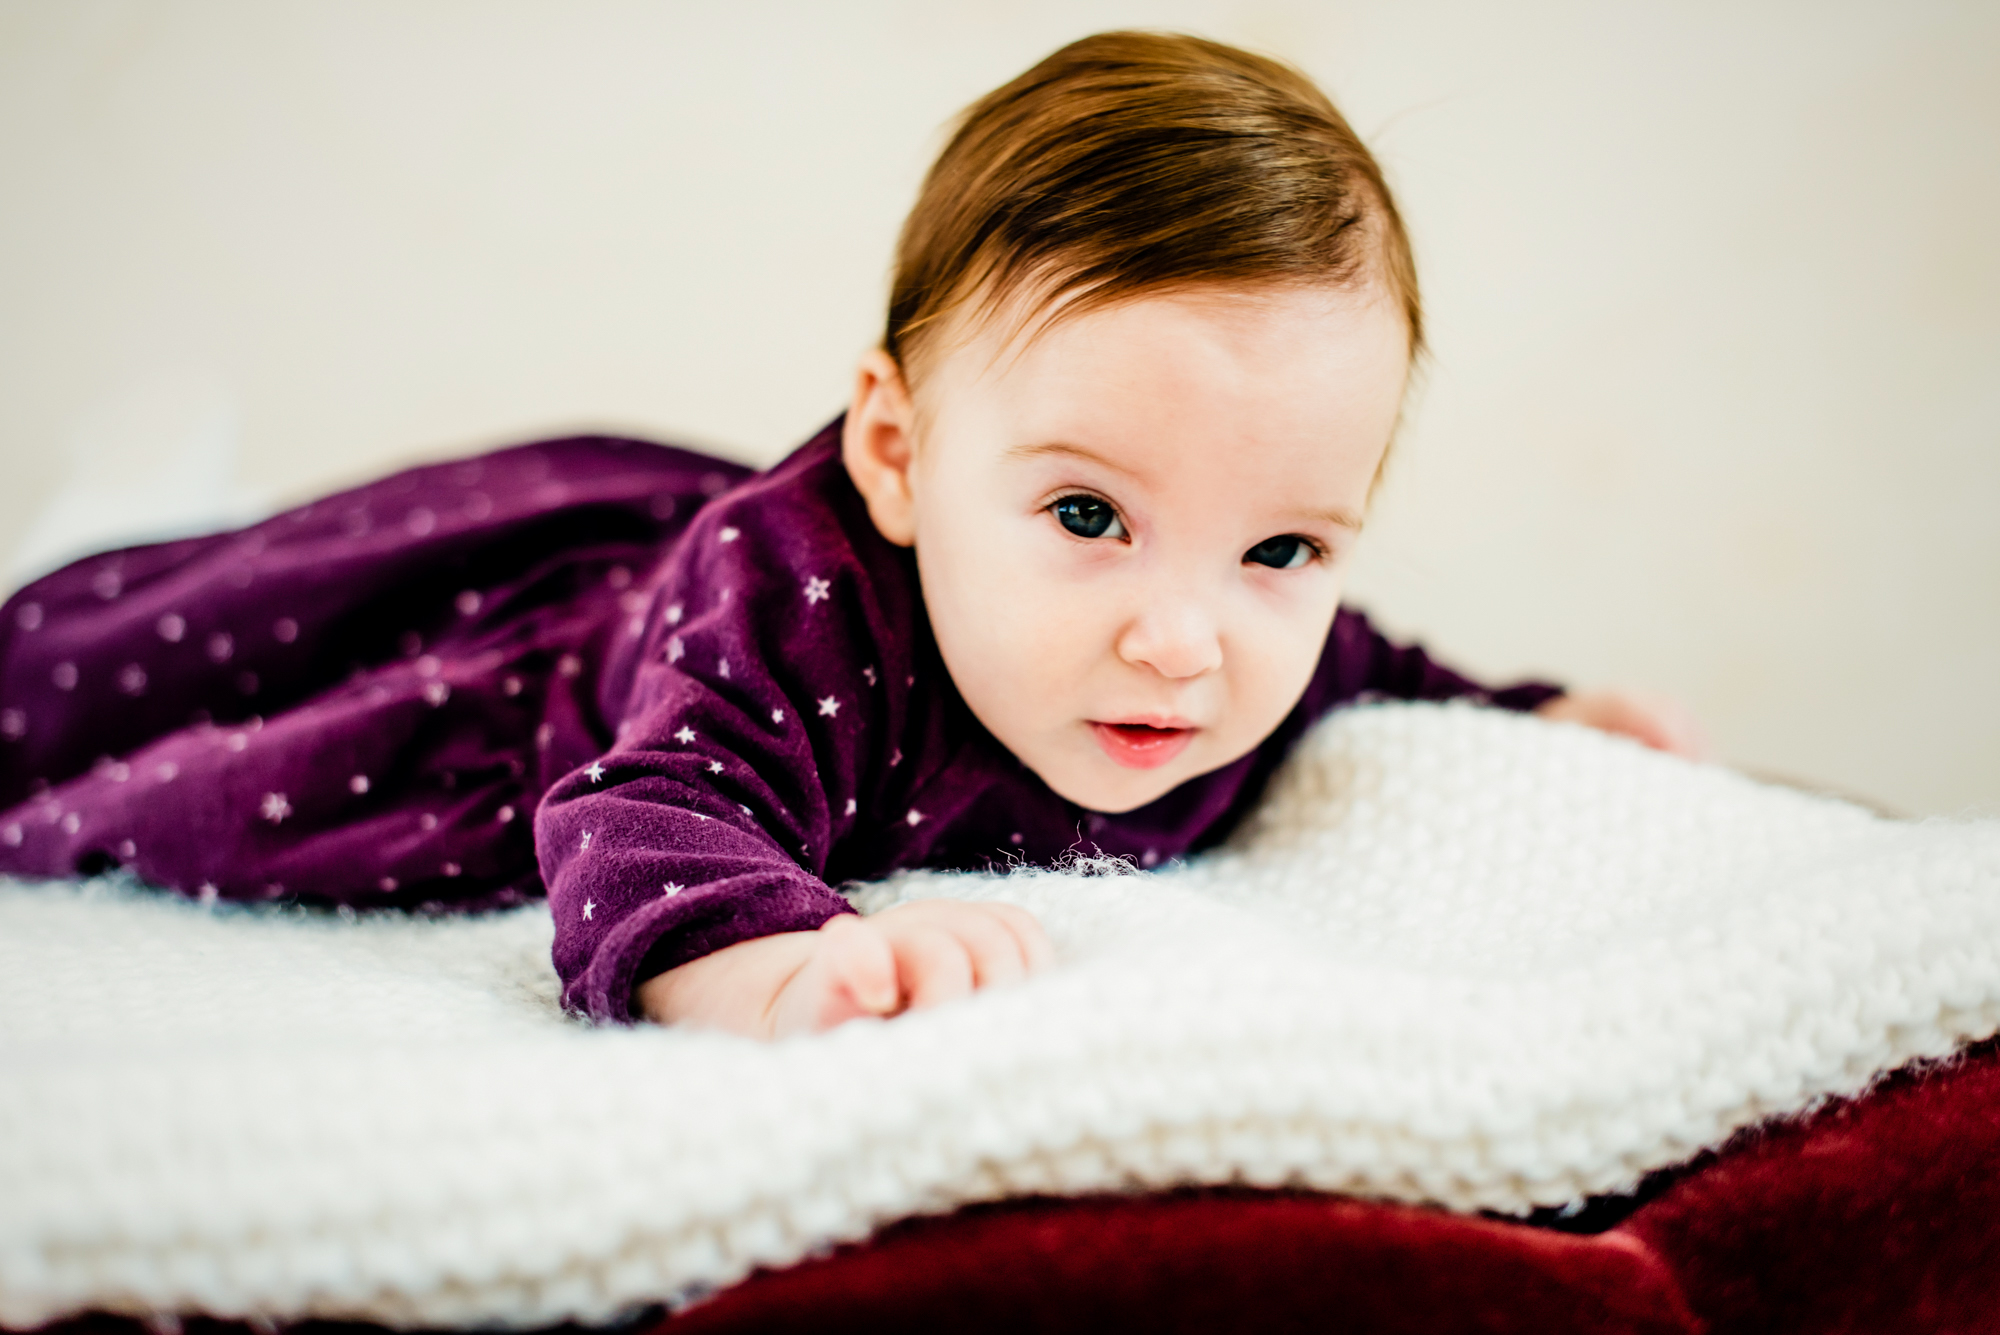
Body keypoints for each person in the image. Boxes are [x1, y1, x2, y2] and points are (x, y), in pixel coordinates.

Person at [0, 32, 1701, 1037]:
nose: (1188, 640)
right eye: (1090, 515)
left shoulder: (1253, 647)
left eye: (1282, 551)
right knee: (144, 673)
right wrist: (783, 961)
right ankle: (136, 515)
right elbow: (640, 814)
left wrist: (1532, 715)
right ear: (896, 451)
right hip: (565, 638)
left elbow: (1368, 662)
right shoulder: (797, 608)